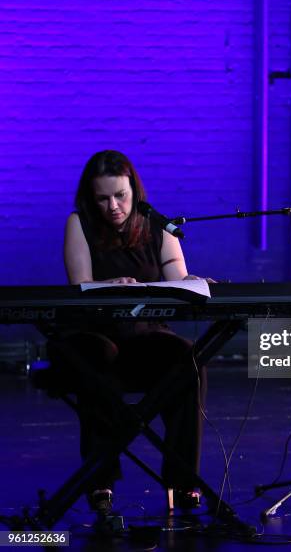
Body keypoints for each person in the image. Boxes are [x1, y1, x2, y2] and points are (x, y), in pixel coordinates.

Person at [50, 150, 205, 516]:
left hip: (142, 335)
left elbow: (178, 280)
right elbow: (80, 285)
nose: (113, 206)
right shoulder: (80, 223)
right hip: (95, 332)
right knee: (95, 356)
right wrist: (111, 284)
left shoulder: (157, 226)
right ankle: (101, 477)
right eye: (102, 199)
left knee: (185, 359)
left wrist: (195, 283)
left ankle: (184, 479)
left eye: (120, 195)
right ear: (91, 198)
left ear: (134, 191)